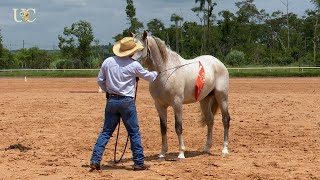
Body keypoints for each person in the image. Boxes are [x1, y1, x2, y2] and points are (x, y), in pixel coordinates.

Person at [90, 37, 158, 171]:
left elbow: (100, 80)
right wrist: (157, 72)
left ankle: (95, 159)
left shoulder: (108, 61)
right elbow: (149, 77)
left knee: (106, 132)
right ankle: (138, 162)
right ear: (132, 52)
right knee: (133, 133)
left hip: (111, 100)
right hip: (127, 102)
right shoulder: (134, 65)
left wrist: (107, 91)